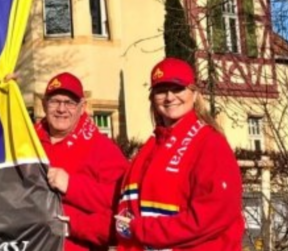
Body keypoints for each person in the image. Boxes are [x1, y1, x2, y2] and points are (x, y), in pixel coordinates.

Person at [115, 57, 244, 251]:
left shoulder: (210, 142)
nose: (169, 97)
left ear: (194, 94)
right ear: (152, 98)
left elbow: (211, 216)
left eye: (178, 89)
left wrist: (142, 229)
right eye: (161, 91)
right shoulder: (151, 147)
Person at [35, 72, 128, 251]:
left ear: (82, 106)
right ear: (44, 104)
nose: (61, 109)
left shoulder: (102, 148)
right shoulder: (27, 142)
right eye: (55, 101)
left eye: (69, 102)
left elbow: (122, 211)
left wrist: (72, 187)